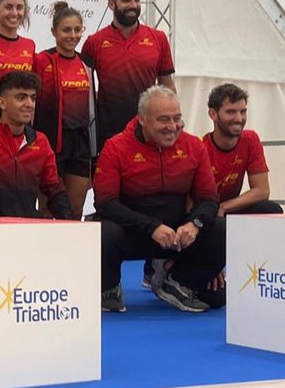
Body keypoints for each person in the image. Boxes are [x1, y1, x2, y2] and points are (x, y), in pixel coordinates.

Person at [94, 85, 222, 314]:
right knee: (104, 231)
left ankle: (178, 282)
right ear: (142, 119)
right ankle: (108, 288)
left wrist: (194, 224)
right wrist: (151, 227)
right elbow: (105, 203)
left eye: (177, 118)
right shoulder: (115, 147)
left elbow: (209, 199)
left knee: (222, 233)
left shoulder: (194, 146)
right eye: (163, 119)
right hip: (132, 232)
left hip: (176, 235)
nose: (172, 126)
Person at [81, 0, 175, 153]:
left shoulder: (158, 38)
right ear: (111, 4)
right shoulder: (94, 42)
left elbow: (167, 84)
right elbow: (85, 90)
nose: (133, 5)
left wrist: (173, 120)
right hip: (108, 133)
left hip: (147, 129)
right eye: (126, 0)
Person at [0, 71, 70, 219]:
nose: (29, 104)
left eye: (33, 98)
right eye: (21, 98)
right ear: (1, 103)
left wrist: (74, 226)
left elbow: (55, 191)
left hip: (28, 226)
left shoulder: (40, 141)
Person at [34, 2, 95, 219]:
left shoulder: (86, 63)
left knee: (75, 209)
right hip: (52, 143)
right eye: (66, 30)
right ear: (54, 32)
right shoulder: (42, 60)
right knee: (47, 209)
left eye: (77, 30)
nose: (73, 35)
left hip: (80, 144)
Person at [204, 83, 283, 215]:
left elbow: (262, 191)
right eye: (231, 112)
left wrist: (224, 207)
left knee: (271, 208)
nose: (239, 119)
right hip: (205, 210)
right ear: (213, 114)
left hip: (227, 208)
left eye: (243, 112)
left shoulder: (250, 139)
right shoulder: (201, 147)